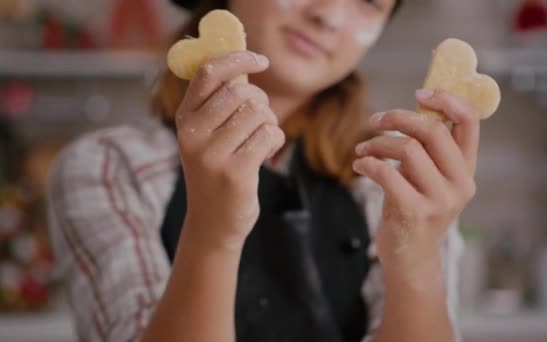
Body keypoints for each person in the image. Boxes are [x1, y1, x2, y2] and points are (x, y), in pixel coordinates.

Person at [48, 0, 480, 341]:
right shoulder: (110, 167)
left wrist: (417, 259)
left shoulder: (394, 182)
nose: (327, 14)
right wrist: (212, 234)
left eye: (368, 0)